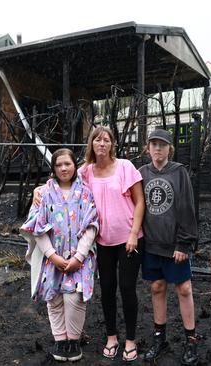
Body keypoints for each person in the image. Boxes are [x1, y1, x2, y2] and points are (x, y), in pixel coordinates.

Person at [33, 126, 145, 362]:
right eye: (97, 140)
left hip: (128, 240)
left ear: (112, 144)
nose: (102, 144)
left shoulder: (125, 167)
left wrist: (134, 233)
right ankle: (112, 337)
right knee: (107, 289)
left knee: (127, 288)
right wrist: (38, 189)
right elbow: (61, 177)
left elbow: (140, 201)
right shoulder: (85, 171)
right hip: (102, 242)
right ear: (91, 144)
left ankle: (131, 340)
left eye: (106, 140)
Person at [21, 148, 99, 362]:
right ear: (53, 168)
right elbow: (37, 226)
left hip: (79, 260)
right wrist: (52, 255)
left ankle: (73, 340)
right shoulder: (45, 194)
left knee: (75, 296)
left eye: (68, 164)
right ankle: (60, 340)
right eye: (59, 165)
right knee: (54, 297)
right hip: (52, 258)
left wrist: (80, 257)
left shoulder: (85, 192)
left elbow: (92, 225)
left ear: (75, 166)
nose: (64, 168)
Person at [138, 129, 199, 365]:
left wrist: (184, 242)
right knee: (156, 287)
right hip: (152, 245)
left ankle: (191, 340)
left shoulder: (179, 172)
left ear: (169, 148)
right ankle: (159, 338)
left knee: (184, 288)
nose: (157, 149)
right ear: (148, 147)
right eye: (153, 144)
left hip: (175, 246)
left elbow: (187, 208)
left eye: (162, 145)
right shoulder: (141, 173)